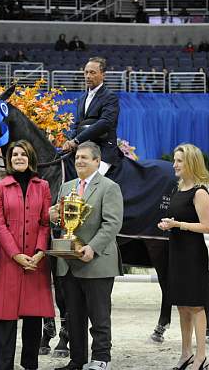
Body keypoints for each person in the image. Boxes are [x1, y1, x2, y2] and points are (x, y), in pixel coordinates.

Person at [50, 142, 123, 370]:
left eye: (84, 157)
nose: (79, 161)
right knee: (74, 316)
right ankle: (77, 359)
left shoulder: (109, 187)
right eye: (77, 157)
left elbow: (112, 224)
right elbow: (64, 222)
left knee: (99, 315)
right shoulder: (67, 187)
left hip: (96, 260)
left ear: (97, 161)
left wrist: (92, 247)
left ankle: (101, 358)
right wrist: (54, 216)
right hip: (69, 262)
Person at [0, 140, 55, 370]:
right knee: (5, 317)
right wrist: (16, 255)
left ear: (30, 158)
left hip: (36, 261)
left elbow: (45, 223)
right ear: (9, 159)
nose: (19, 157)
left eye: (23, 154)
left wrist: (39, 252)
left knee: (33, 318)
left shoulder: (43, 186)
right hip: (10, 260)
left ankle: (30, 365)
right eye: (15, 154)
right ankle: (3, 366)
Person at [158, 144, 209, 370]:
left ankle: (201, 356)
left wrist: (178, 224)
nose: (174, 165)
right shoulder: (177, 188)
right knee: (181, 305)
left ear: (190, 162)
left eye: (179, 161)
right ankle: (186, 353)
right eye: (174, 160)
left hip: (193, 254)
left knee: (196, 305)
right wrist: (168, 224)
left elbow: (206, 227)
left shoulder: (200, 192)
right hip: (177, 251)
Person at [62, 57, 122, 175]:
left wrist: (77, 140)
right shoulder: (82, 98)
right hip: (84, 148)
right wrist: (69, 141)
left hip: (103, 150)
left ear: (103, 75)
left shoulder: (110, 97)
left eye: (92, 72)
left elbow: (105, 123)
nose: (88, 76)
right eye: (86, 72)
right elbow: (78, 125)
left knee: (93, 179)